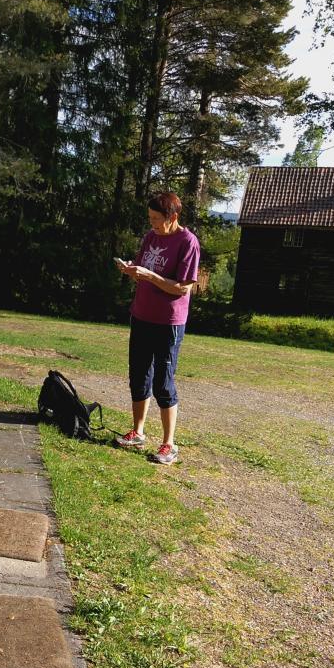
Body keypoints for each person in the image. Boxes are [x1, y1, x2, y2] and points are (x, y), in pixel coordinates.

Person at [114, 191, 200, 465]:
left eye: (156, 219)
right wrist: (131, 269)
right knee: (139, 376)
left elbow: (183, 287)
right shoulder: (151, 237)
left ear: (173, 217)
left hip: (169, 322)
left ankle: (168, 444)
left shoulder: (188, 242)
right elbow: (142, 267)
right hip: (142, 316)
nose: (151, 224)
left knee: (163, 382)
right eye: (149, 218)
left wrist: (150, 276)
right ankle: (138, 432)